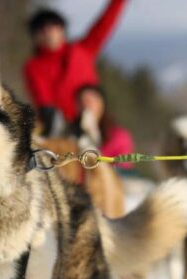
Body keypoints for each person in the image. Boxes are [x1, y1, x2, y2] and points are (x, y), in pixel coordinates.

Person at [24, 1, 127, 135]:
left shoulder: (82, 50)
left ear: (62, 29)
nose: (48, 32)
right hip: (62, 130)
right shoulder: (34, 66)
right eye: (41, 28)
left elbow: (105, 23)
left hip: (97, 123)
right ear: (35, 36)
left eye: (53, 25)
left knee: (121, 140)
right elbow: (43, 100)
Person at [72, 85, 135, 171]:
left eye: (90, 101)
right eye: (81, 102)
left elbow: (123, 169)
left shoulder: (119, 136)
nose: (85, 106)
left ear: (101, 104)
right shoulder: (69, 133)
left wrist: (93, 134)